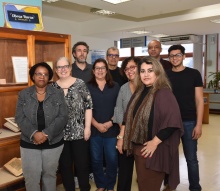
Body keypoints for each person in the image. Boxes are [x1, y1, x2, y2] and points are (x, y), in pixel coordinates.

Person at [123, 56, 184, 191]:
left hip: (153, 150)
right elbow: (128, 116)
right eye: (143, 71)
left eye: (150, 70)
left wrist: (154, 143)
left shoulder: (163, 93)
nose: (146, 74)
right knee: (144, 185)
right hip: (139, 148)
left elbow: (172, 122)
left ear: (157, 72)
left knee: (148, 186)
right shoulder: (141, 91)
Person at [15, 62, 68, 191]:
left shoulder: (57, 93)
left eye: (45, 74)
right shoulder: (24, 94)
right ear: (33, 76)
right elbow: (19, 117)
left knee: (49, 175)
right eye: (39, 74)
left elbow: (63, 116)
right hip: (29, 142)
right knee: (31, 177)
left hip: (53, 142)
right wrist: (34, 133)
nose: (42, 77)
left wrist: (45, 134)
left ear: (49, 77)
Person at [51, 57, 93, 191]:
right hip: (59, 135)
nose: (63, 69)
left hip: (79, 132)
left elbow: (89, 106)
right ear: (56, 71)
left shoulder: (80, 83)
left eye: (65, 66)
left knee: (82, 165)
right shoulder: (52, 87)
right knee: (65, 166)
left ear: (70, 68)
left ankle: (84, 188)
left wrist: (87, 128)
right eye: (59, 67)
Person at [167, 45, 203, 191]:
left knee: (191, 159)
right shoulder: (165, 75)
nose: (174, 58)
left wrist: (199, 124)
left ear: (184, 56)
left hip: (189, 121)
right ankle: (171, 185)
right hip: (170, 122)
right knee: (170, 157)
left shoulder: (194, 74)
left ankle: (195, 187)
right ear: (169, 58)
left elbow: (200, 100)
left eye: (177, 55)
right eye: (172, 56)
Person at [87, 58, 120, 191]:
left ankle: (110, 185)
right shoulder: (87, 86)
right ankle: (101, 185)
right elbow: (85, 108)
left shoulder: (115, 86)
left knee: (112, 159)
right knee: (96, 160)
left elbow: (119, 108)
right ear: (93, 71)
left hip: (111, 130)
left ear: (107, 71)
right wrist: (96, 125)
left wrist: (110, 123)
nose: (100, 70)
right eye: (97, 68)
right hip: (94, 130)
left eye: (103, 68)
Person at [113, 56, 141, 191]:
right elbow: (118, 109)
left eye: (132, 67)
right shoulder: (123, 88)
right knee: (124, 171)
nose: (129, 71)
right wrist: (123, 131)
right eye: (126, 69)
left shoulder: (146, 86)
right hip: (125, 135)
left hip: (143, 137)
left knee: (144, 172)